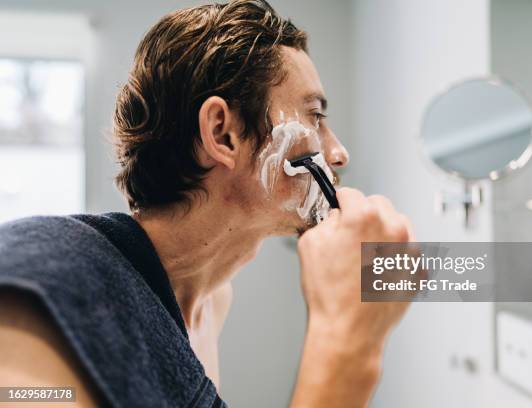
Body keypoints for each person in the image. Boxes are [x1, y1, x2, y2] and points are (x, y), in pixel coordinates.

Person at [0, 1, 416, 406]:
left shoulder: (212, 302)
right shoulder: (39, 290)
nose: (339, 152)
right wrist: (347, 344)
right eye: (313, 117)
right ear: (222, 134)